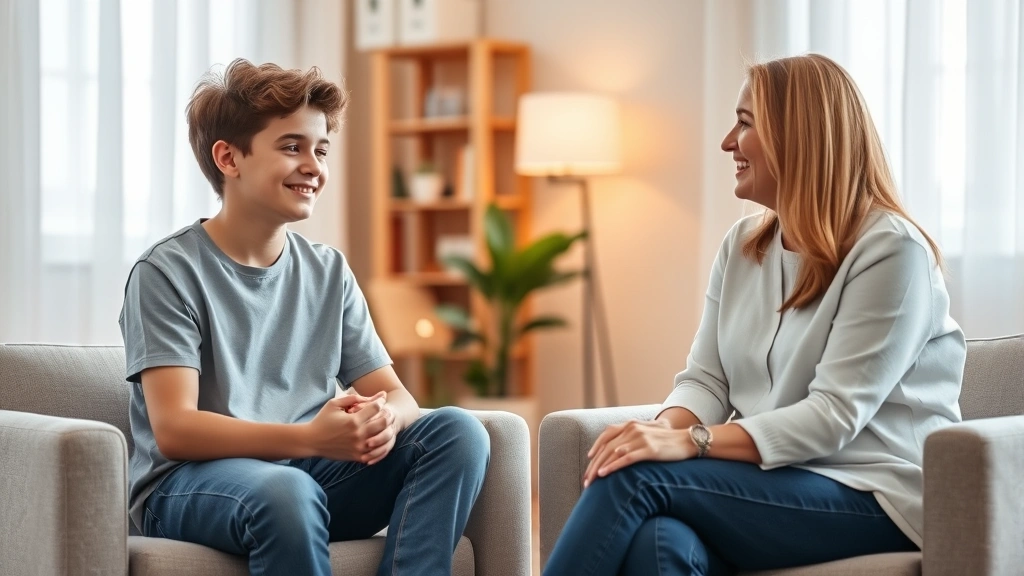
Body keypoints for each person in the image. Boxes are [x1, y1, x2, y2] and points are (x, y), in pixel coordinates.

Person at [543, 54, 966, 576]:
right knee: (659, 539)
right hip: (776, 483)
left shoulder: (892, 252)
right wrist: (659, 433)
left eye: (745, 123)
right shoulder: (742, 246)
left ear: (799, 137)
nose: (728, 142)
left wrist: (688, 443)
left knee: (633, 479)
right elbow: (706, 381)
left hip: (879, 495)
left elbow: (833, 416)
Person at [118, 59, 490, 576]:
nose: (314, 166)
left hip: (306, 476)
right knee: (287, 490)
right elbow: (175, 429)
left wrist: (380, 420)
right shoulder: (166, 272)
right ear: (229, 158)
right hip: (190, 487)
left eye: (321, 150)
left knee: (458, 432)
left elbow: (397, 395)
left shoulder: (328, 270)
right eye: (292, 147)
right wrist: (312, 438)